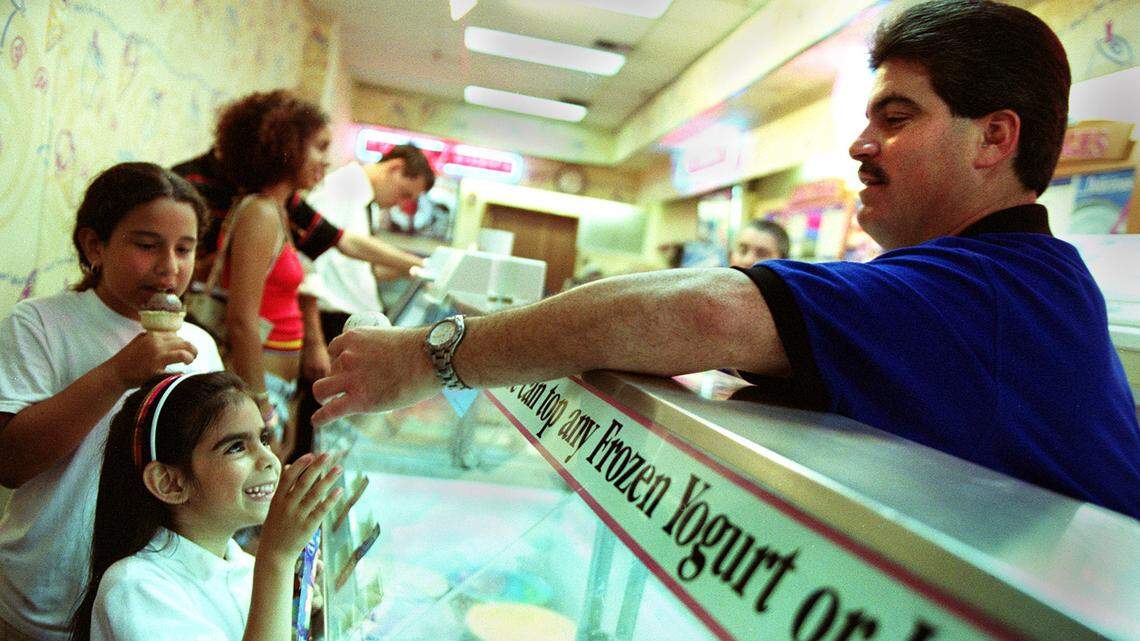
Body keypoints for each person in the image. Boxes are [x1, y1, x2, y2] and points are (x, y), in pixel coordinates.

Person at [310, 0, 1140, 519]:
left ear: (995, 137)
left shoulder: (988, 291)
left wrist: (428, 357)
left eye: (895, 117)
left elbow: (700, 311)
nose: (860, 144)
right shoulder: (1014, 282)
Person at [0, 163, 224, 641]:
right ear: (94, 245)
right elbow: (11, 461)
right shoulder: (39, 324)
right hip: (41, 593)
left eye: (184, 249)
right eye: (146, 245)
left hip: (149, 603)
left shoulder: (200, 346)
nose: (170, 267)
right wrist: (118, 373)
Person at [68, 372, 341, 641]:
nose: (269, 459)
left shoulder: (242, 565)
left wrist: (292, 602)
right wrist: (277, 561)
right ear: (169, 483)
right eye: (236, 447)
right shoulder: (134, 588)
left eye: (264, 439)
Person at [210, 90, 332, 460]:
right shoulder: (260, 213)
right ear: (288, 146)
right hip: (259, 386)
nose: (326, 161)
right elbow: (242, 320)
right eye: (319, 147)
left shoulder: (278, 211)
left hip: (275, 384)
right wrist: (261, 408)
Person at [292, 144, 436, 456]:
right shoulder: (341, 189)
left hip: (344, 321)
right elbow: (309, 267)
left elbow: (355, 269)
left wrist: (408, 271)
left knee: (328, 425)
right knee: (313, 422)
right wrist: (314, 340)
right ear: (395, 167)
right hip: (328, 322)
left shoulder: (360, 200)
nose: (402, 203)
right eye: (405, 193)